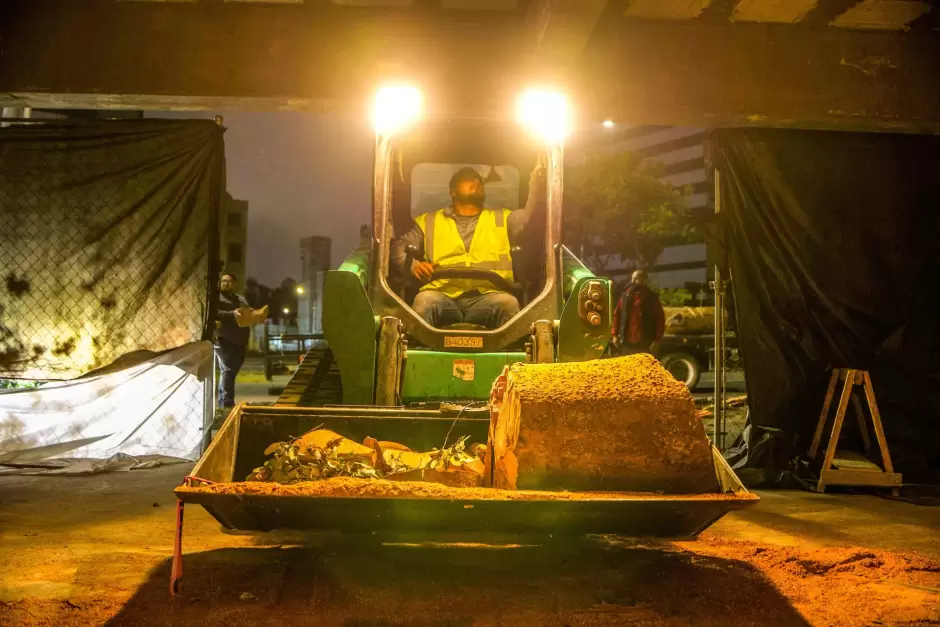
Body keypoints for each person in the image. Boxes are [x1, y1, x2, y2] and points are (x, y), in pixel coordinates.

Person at [393, 163, 545, 328]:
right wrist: (414, 266)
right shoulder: (429, 221)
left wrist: (535, 186)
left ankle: (511, 354)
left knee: (509, 304)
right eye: (467, 178)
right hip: (442, 295)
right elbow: (399, 247)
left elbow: (529, 221)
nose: (475, 180)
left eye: (478, 180)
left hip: (489, 295)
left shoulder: (504, 219)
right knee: (423, 302)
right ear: (452, 191)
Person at [215, 272, 251, 409]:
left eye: (229, 281)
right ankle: (226, 404)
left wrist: (253, 313)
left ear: (234, 283)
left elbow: (247, 311)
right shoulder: (216, 298)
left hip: (240, 341)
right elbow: (214, 312)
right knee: (228, 371)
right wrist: (232, 314)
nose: (225, 283)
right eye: (223, 281)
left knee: (231, 373)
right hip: (224, 340)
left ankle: (225, 401)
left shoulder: (240, 299)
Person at [610, 269, 665, 356]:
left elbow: (660, 319)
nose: (633, 281)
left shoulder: (651, 297)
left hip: (645, 342)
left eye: (637, 278)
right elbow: (617, 315)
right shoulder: (625, 296)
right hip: (627, 341)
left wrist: (657, 340)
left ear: (644, 280)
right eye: (633, 278)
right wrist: (614, 335)